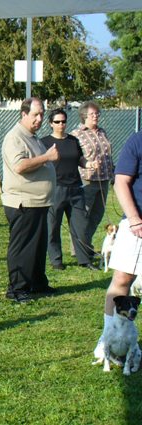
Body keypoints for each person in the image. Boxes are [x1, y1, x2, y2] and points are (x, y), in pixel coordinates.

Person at [1, 98, 58, 303]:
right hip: (23, 203)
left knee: (37, 246)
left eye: (42, 114)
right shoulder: (15, 137)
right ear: (23, 114)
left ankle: (36, 283)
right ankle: (17, 289)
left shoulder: (32, 137)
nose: (39, 118)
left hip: (38, 202)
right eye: (35, 114)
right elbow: (20, 166)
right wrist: (47, 157)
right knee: (23, 247)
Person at [93, 130, 142, 360]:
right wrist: (134, 219)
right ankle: (107, 339)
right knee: (122, 279)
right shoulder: (137, 140)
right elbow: (121, 181)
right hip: (137, 223)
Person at [40, 108, 98, 270]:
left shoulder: (73, 140)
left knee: (80, 226)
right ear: (51, 123)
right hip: (56, 189)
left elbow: (80, 159)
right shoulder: (44, 142)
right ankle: (56, 261)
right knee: (53, 226)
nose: (61, 125)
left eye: (63, 121)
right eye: (57, 122)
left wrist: (89, 164)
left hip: (76, 189)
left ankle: (84, 259)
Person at [70, 101, 114, 258]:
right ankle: (78, 249)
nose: (96, 116)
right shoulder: (77, 134)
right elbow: (75, 157)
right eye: (92, 114)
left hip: (104, 178)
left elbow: (108, 153)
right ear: (84, 116)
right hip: (87, 179)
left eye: (97, 113)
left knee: (97, 215)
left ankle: (86, 245)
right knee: (84, 215)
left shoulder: (102, 132)